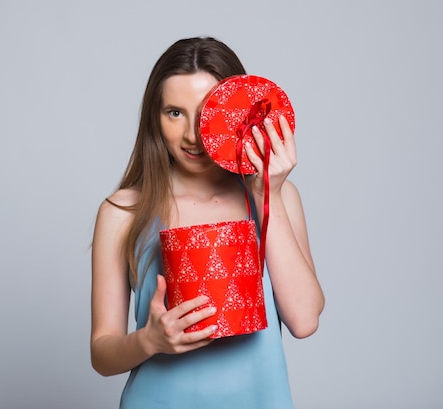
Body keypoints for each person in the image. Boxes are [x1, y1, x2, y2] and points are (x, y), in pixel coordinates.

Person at [90, 36, 324, 409]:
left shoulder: (277, 197)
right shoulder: (122, 212)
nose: (191, 135)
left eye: (206, 114)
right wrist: (149, 340)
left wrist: (267, 194)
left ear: (240, 112)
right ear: (155, 116)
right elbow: (102, 353)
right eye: (174, 112)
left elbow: (304, 320)